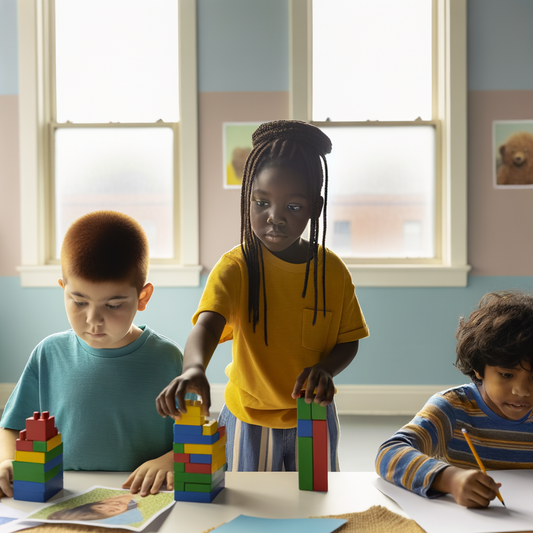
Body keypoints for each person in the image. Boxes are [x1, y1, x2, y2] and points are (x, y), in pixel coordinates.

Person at [156, 120, 369, 471]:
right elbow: (208, 326)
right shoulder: (236, 267)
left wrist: (326, 369)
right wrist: (194, 368)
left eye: (294, 207)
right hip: (249, 419)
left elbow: (349, 340)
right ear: (247, 199)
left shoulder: (331, 271)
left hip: (313, 416)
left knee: (317, 505)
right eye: (262, 202)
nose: (275, 218)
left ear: (315, 207)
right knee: (251, 505)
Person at [0, 211, 185, 498]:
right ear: (64, 290)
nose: (93, 320)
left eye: (113, 305)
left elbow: (196, 435)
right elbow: (11, 426)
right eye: (79, 302)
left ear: (143, 297)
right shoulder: (48, 354)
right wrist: (8, 460)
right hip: (62, 497)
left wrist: (168, 461)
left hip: (146, 496)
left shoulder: (169, 359)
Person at [376, 291, 533, 508]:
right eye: (507, 375)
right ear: (479, 369)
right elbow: (389, 453)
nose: (522, 390)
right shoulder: (453, 408)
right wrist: (451, 480)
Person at [47, 493, 142, 523]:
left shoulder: (110, 496)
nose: (112, 505)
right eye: (113, 510)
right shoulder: (134, 505)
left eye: (100, 507)